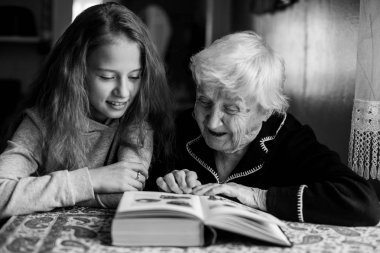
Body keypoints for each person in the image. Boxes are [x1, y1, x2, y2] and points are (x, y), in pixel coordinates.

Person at [156, 31, 380, 226]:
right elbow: (141, 183)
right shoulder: (182, 126)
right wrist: (166, 184)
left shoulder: (288, 138)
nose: (212, 122)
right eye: (204, 102)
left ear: (265, 111)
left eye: (232, 109)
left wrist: (259, 197)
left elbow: (363, 203)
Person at [0, 2, 174, 218]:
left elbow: (125, 194)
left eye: (134, 76)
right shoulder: (41, 122)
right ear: (76, 72)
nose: (123, 92)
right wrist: (93, 179)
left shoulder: (137, 123)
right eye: (107, 77)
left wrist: (38, 194)